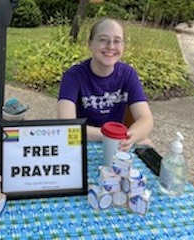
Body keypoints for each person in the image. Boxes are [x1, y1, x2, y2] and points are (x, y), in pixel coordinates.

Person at [57, 17, 154, 151]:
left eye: (117, 41)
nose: (110, 46)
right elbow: (67, 126)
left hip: (118, 146)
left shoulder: (128, 74)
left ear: (123, 46)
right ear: (90, 43)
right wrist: (112, 136)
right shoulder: (73, 76)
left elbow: (146, 118)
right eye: (103, 39)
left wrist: (133, 136)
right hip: (81, 145)